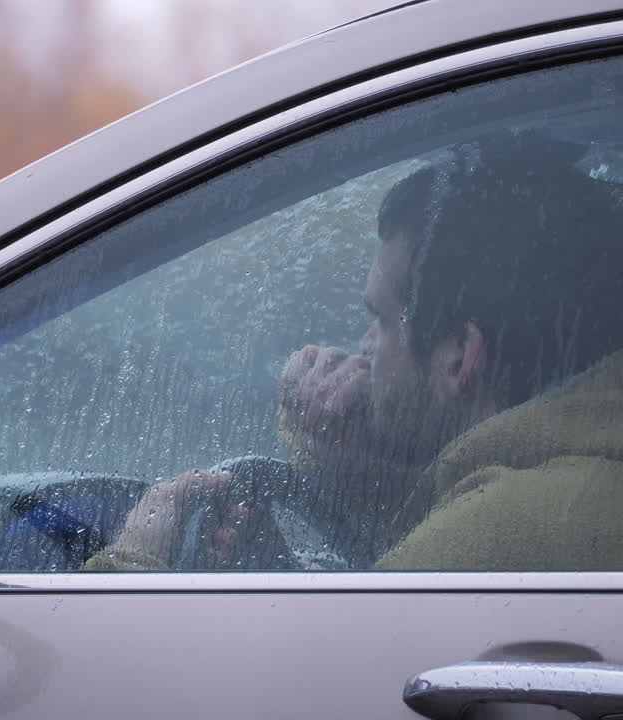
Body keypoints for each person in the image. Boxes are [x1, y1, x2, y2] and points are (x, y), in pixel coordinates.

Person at [87, 132, 623, 572]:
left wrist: (135, 558)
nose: (365, 350)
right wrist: (351, 465)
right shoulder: (579, 477)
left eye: (382, 321)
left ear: (461, 354)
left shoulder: (506, 531)